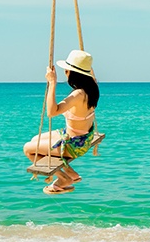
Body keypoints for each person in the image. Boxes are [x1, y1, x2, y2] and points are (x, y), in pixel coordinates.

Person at [23, 49, 100, 194]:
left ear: (71, 73)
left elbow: (52, 112)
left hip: (73, 145)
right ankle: (72, 174)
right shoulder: (93, 87)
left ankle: (63, 179)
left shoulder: (78, 94)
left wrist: (52, 82)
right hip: (80, 138)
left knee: (28, 149)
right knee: (35, 140)